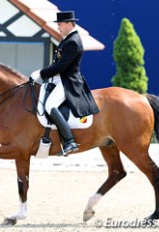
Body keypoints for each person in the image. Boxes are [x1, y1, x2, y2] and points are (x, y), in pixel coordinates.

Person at [31, 11, 99, 155]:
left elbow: (62, 66)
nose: (58, 27)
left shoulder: (73, 41)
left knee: (50, 105)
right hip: (58, 80)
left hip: (68, 82)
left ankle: (69, 141)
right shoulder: (67, 39)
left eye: (60, 24)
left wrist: (41, 73)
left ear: (69, 24)